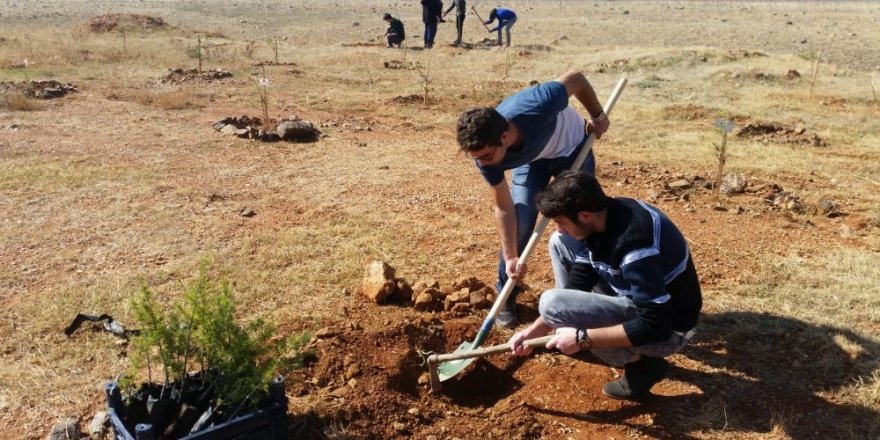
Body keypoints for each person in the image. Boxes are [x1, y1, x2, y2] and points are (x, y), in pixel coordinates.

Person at [508, 171, 703, 400]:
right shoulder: (605, 216)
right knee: (560, 243)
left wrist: (582, 337)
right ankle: (567, 326)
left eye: (560, 222)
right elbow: (578, 283)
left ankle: (641, 365)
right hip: (633, 299)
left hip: (668, 331)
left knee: (553, 302)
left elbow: (655, 325)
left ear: (585, 215)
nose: (558, 227)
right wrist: (532, 331)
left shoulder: (636, 245)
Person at [455, 70, 610, 327]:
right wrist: (511, 257)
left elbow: (576, 79)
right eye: (476, 158)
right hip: (532, 161)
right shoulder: (487, 156)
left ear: (504, 138)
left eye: (485, 156)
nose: (482, 164)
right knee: (522, 219)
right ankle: (506, 294)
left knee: (584, 218)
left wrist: (598, 116)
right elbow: (504, 207)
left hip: (572, 150)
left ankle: (595, 288)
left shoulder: (539, 103)